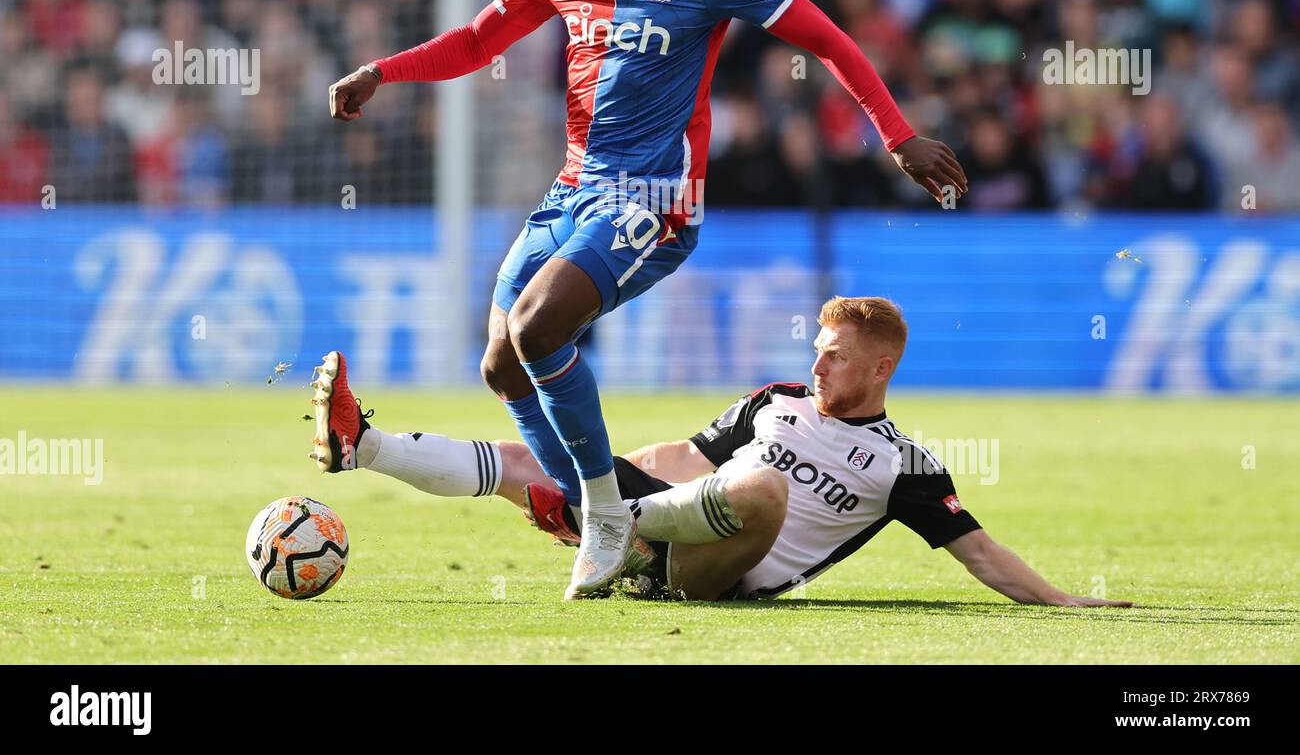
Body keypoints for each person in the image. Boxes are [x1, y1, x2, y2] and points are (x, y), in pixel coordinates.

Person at [323, 0, 969, 599]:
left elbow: (825, 37)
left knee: (537, 329)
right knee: (499, 363)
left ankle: (603, 516)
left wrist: (896, 136)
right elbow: (475, 40)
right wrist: (382, 72)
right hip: (572, 192)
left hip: (655, 201)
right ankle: (608, 517)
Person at [308, 296, 1129, 606]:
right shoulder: (775, 400)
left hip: (719, 573)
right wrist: (595, 483)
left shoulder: (903, 465)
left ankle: (615, 531)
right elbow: (684, 454)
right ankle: (363, 444)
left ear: (881, 368)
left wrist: (1067, 603)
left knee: (764, 488)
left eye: (834, 355)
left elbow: (979, 552)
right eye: (816, 347)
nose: (816, 364)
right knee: (523, 458)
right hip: (669, 515)